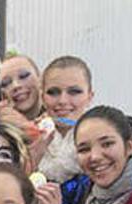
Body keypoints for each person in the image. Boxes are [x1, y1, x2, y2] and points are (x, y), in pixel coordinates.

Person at [62, 105, 132, 204]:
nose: (95, 157)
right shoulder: (80, 195)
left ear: (129, 147)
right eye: (84, 149)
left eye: (107, 144)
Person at [33, 56, 95, 184]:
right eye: (53, 92)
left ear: (90, 96)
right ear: (42, 97)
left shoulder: (104, 136)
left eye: (74, 92)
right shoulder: (28, 137)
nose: (62, 101)